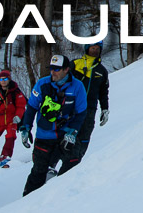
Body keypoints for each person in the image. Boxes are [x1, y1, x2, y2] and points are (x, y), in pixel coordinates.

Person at [20, 54, 87, 196]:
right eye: (51, 68)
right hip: (44, 135)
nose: (53, 72)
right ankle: (26, 201)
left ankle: (59, 194)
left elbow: (81, 112)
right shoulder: (42, 84)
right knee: (38, 171)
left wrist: (73, 132)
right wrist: (26, 127)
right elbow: (31, 107)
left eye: (57, 69)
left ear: (66, 70)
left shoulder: (77, 87)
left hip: (65, 134)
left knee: (73, 161)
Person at [47, 42, 109, 177]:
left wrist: (105, 108)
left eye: (97, 49)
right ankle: (50, 165)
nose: (95, 51)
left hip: (90, 109)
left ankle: (69, 170)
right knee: (64, 135)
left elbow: (104, 92)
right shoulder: (75, 64)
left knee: (83, 138)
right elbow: (62, 79)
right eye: (92, 48)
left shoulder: (102, 70)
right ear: (87, 48)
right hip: (71, 106)